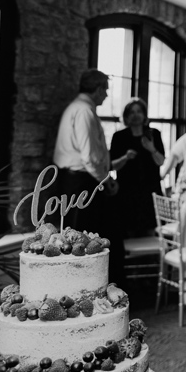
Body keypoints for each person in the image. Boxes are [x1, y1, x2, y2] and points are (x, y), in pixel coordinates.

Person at [51, 69, 119, 269]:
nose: (106, 95)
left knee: (79, 236)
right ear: (97, 89)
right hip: (81, 181)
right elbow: (88, 156)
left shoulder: (78, 108)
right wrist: (105, 181)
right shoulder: (84, 111)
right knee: (82, 239)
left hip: (76, 179)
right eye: (105, 90)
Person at [110, 98, 165, 239]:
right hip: (127, 192)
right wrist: (125, 158)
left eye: (139, 111)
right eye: (132, 112)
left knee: (151, 230)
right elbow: (111, 165)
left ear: (144, 114)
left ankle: (151, 259)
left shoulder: (153, 134)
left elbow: (161, 162)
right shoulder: (119, 137)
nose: (135, 115)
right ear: (127, 116)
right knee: (128, 231)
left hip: (150, 190)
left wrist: (152, 149)